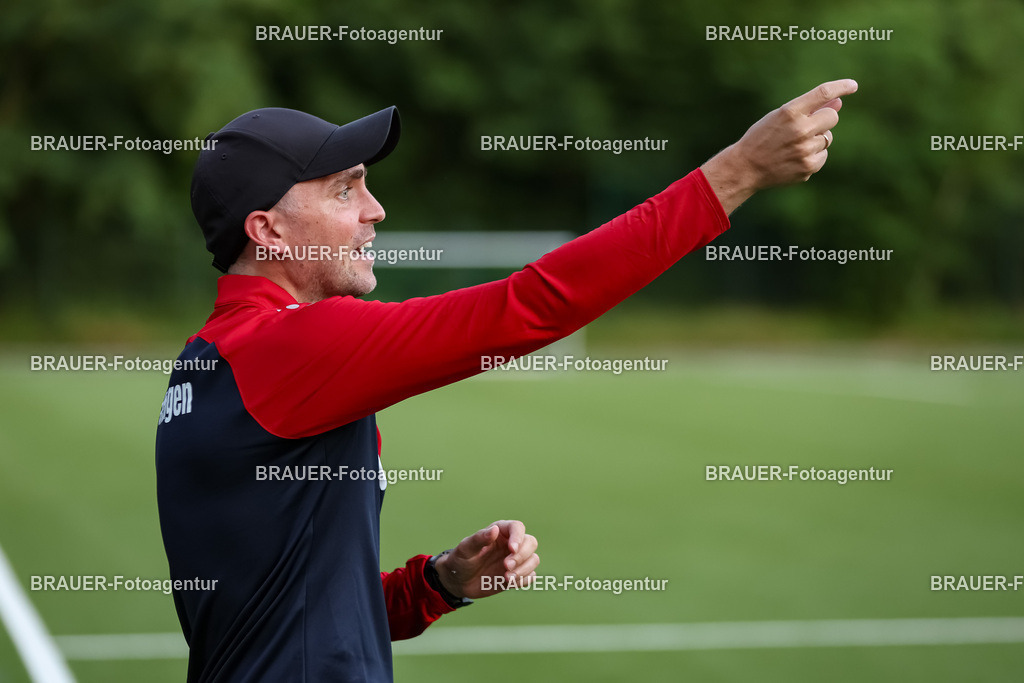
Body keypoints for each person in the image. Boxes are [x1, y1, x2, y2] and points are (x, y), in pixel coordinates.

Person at [155, 79, 857, 682]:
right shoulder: (289, 346)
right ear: (269, 232)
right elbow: (532, 304)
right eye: (345, 189)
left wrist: (436, 585)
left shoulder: (207, 360)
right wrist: (735, 173)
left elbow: (289, 615)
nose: (376, 211)